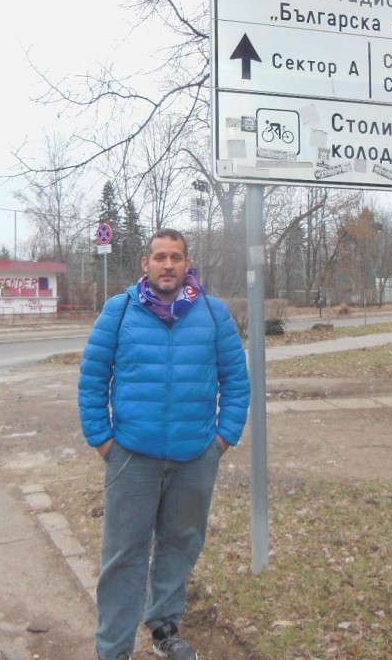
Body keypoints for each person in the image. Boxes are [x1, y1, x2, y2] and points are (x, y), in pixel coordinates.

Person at [78, 228, 251, 660]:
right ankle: (114, 649)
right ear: (146, 264)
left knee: (180, 543)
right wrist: (103, 441)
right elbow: (93, 379)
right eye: (160, 257)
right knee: (124, 556)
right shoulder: (119, 312)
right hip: (132, 457)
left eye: (176, 257)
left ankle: (164, 627)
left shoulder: (214, 314)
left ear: (187, 264)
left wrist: (222, 439)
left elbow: (237, 383)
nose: (168, 265)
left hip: (196, 457)